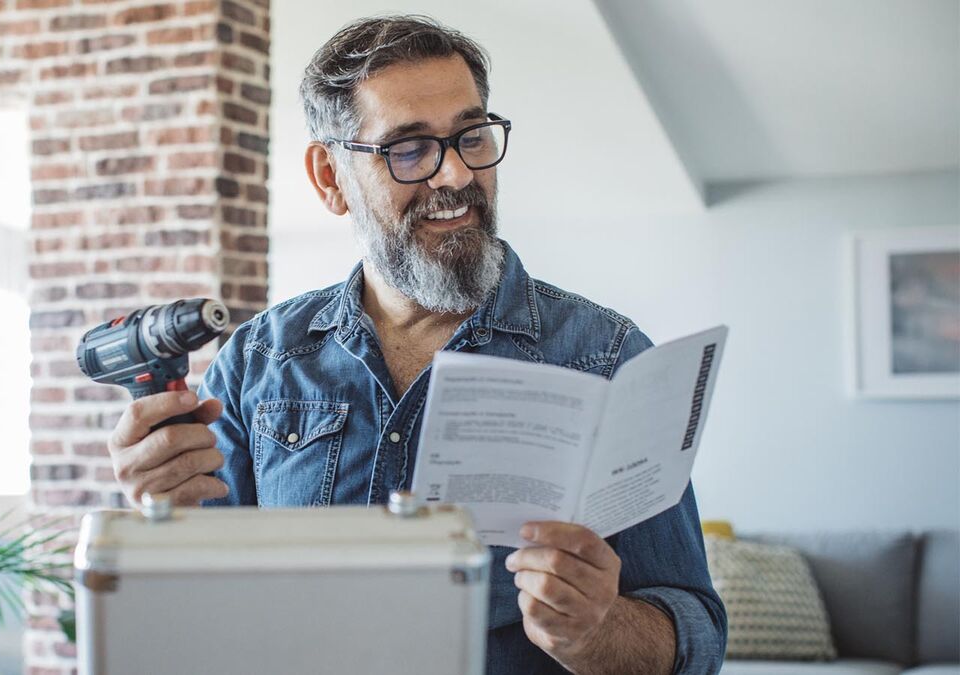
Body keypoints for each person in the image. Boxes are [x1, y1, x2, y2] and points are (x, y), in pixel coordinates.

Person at [106, 14, 727, 675]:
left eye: (471, 135)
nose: (456, 175)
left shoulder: (607, 356)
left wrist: (600, 634)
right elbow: (199, 612)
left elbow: (697, 633)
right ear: (328, 177)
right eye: (408, 149)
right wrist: (153, 519)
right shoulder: (255, 364)